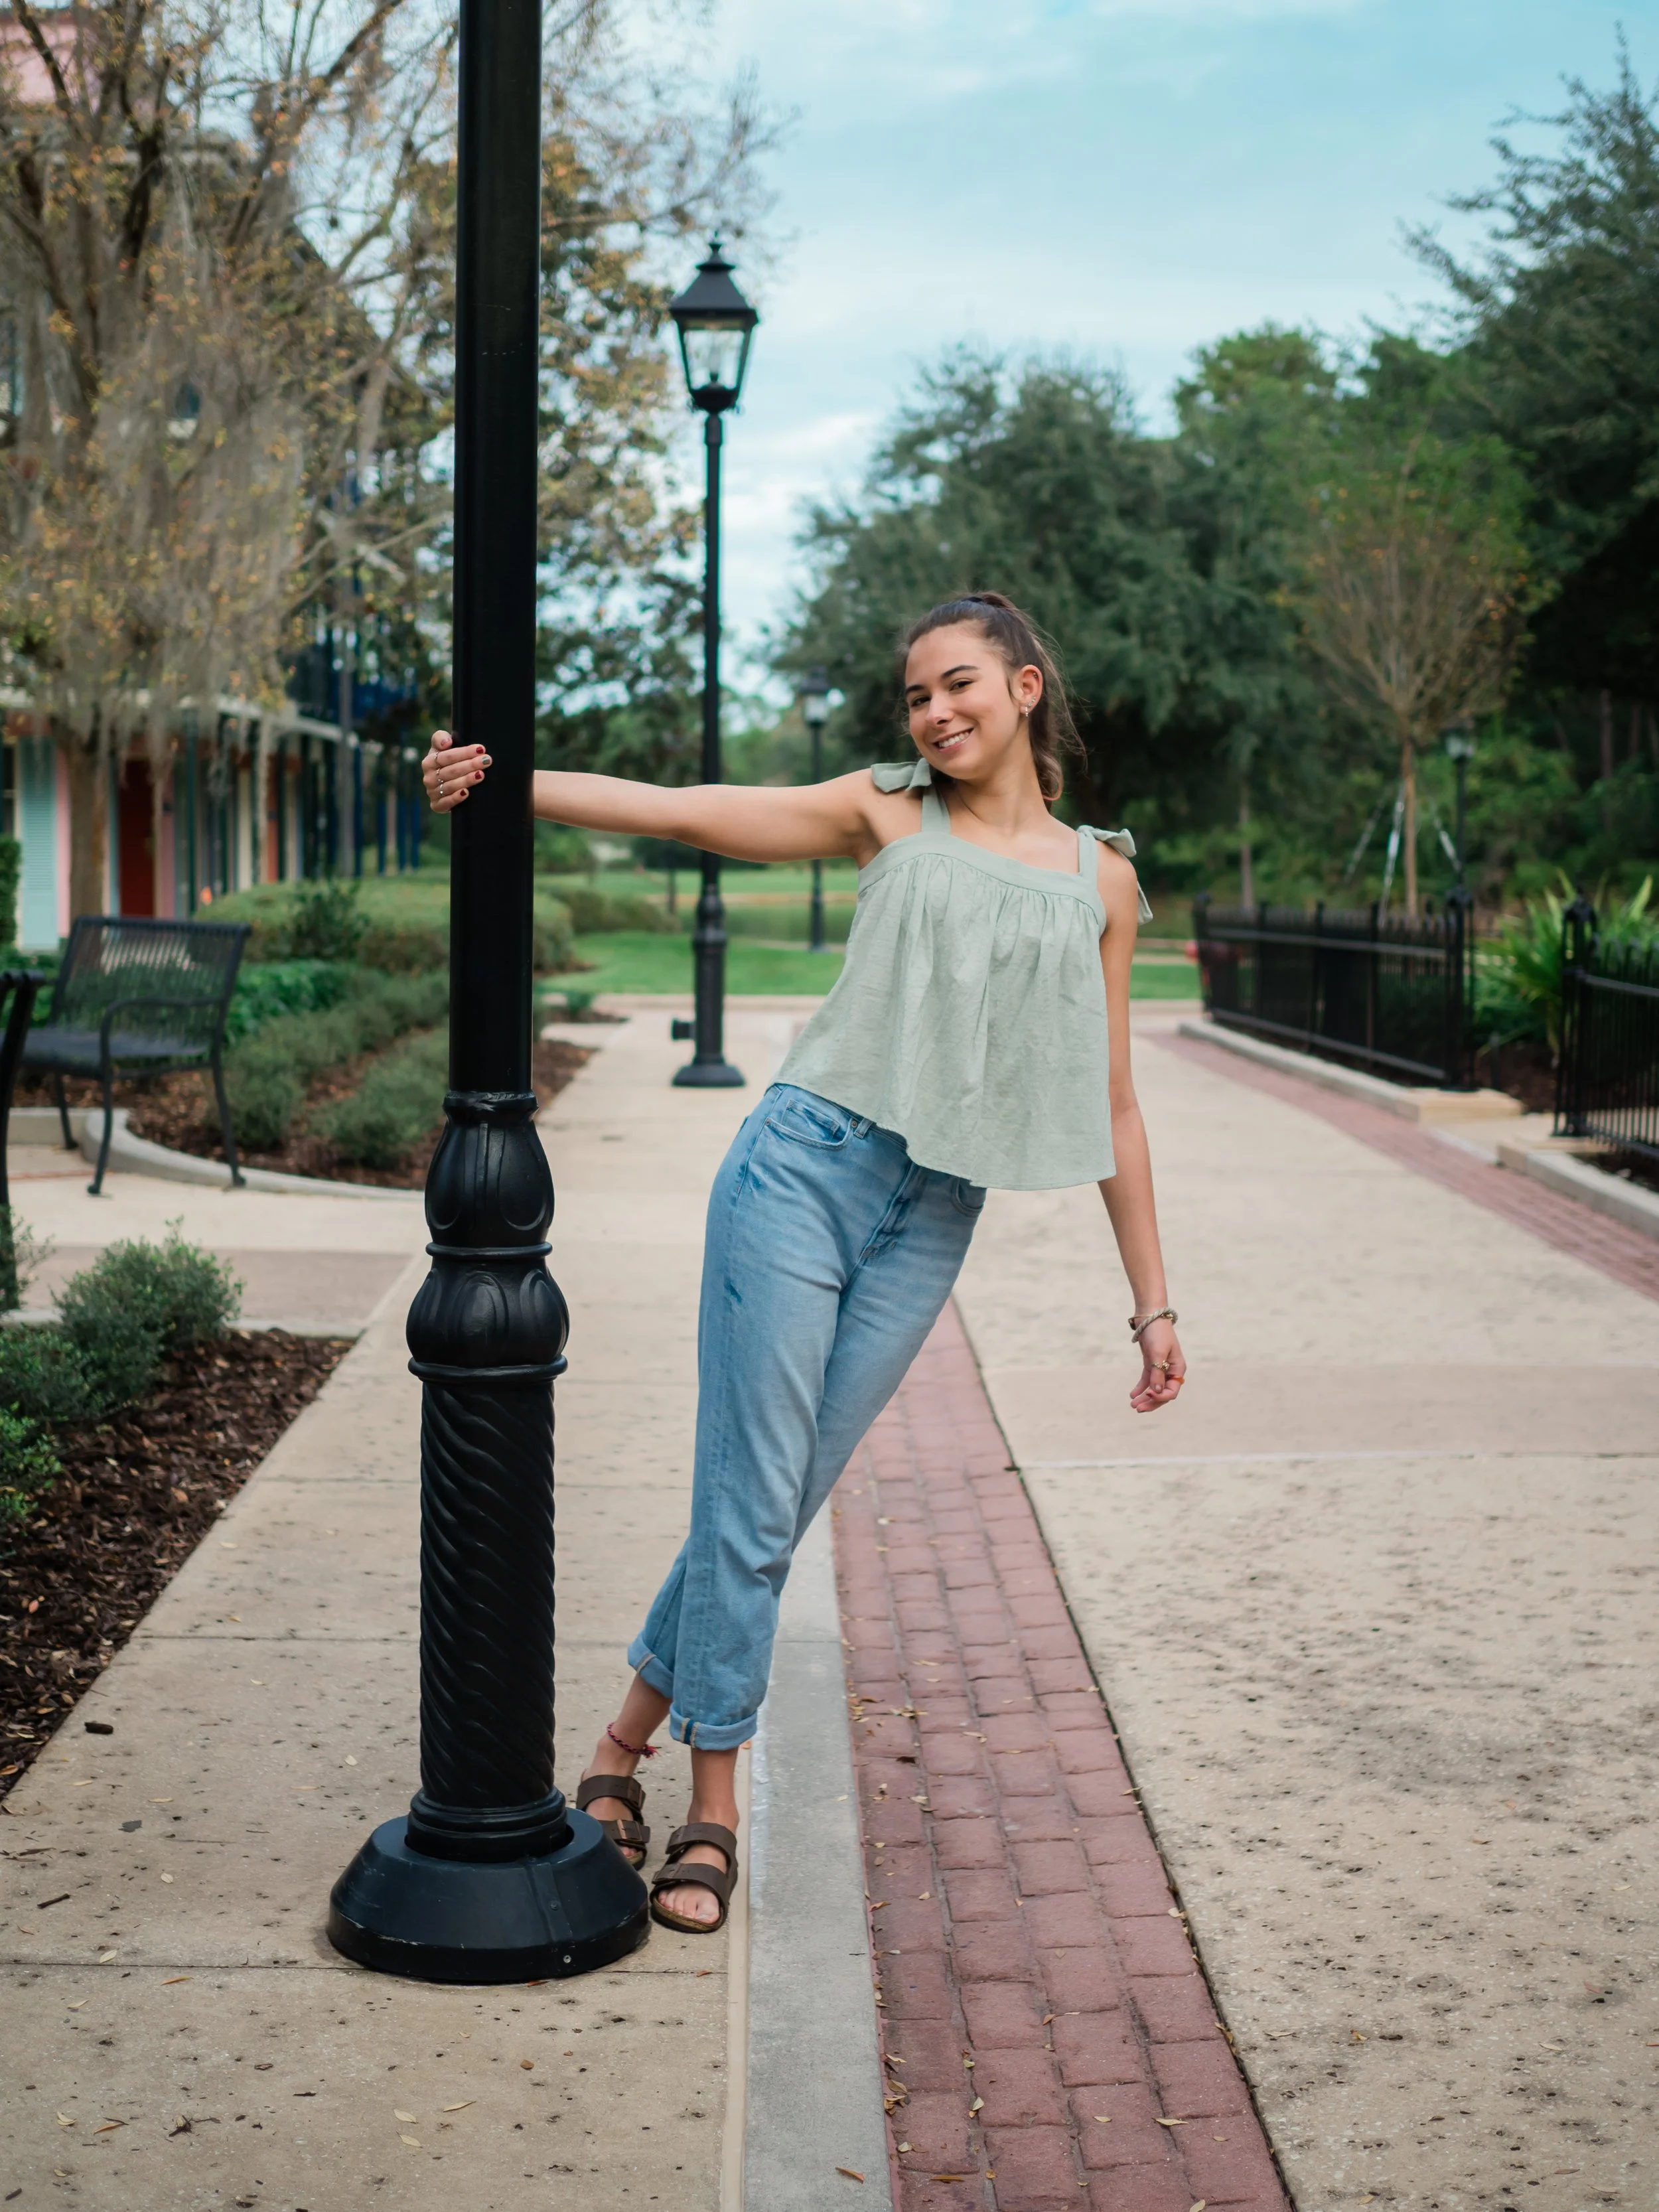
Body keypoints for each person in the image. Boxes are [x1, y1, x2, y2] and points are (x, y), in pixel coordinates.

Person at [422, 590, 1187, 1935]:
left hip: (931, 1216)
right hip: (799, 1171)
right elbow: (686, 809)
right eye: (913, 695)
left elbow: (1113, 1100)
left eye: (957, 683)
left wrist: (1151, 1301)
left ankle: (612, 1754)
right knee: (758, 1488)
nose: (933, 711)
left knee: (764, 1501)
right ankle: (715, 1803)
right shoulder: (887, 811)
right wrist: (503, 785)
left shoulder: (1100, 881)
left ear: (1022, 687)